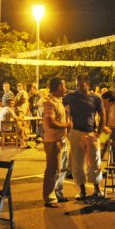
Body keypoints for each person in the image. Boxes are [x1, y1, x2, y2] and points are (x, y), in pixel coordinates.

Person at [63, 74, 107, 199]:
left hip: (91, 133)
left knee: (95, 161)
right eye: (77, 85)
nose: (78, 88)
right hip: (76, 133)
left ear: (88, 84)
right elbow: (59, 103)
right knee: (77, 163)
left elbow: (102, 115)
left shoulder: (96, 98)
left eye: (81, 85)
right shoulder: (70, 97)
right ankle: (82, 191)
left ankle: (97, 189)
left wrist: (100, 132)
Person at [42, 77, 72, 208]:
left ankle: (57, 194)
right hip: (53, 140)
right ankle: (49, 197)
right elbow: (50, 122)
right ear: (59, 87)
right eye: (64, 86)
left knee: (60, 169)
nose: (65, 89)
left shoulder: (59, 101)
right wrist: (66, 124)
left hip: (61, 140)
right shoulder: (50, 103)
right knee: (52, 169)